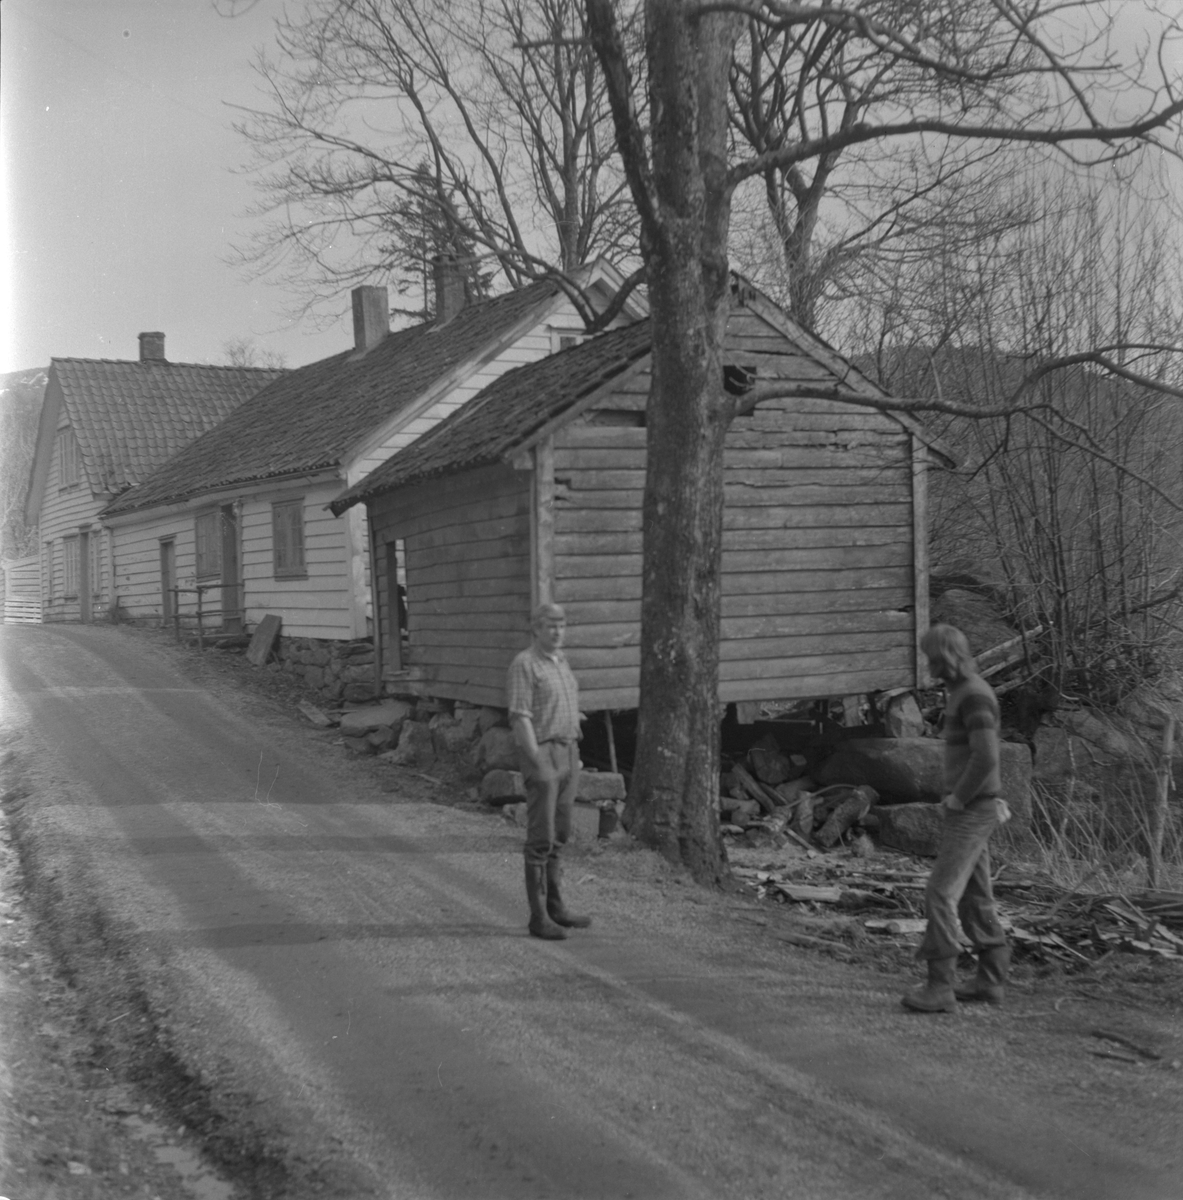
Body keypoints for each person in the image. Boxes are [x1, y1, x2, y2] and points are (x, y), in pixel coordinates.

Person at [903, 623, 1012, 1013]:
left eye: (932, 658)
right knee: (974, 896)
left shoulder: (974, 696)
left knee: (940, 893)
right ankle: (989, 982)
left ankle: (940, 988)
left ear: (947, 657)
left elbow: (987, 756)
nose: (929, 667)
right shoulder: (961, 693)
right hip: (974, 807)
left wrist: (959, 798)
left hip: (973, 808)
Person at [507, 602, 590, 940]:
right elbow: (519, 716)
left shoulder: (561, 662)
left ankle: (556, 907)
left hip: (568, 752)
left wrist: (575, 748)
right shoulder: (525, 664)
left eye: (561, 625)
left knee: (562, 832)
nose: (557, 632)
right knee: (541, 836)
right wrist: (537, 762)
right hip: (542, 755)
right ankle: (538, 916)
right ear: (536, 628)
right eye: (550, 626)